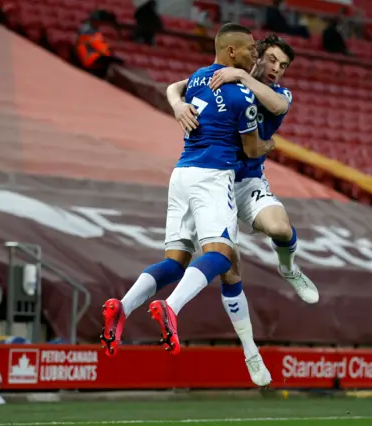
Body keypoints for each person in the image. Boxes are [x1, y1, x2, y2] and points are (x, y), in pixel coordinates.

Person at [101, 24, 270, 364]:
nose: (256, 53)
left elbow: (174, 89)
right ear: (231, 52)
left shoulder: (196, 78)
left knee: (174, 262)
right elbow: (252, 152)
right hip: (212, 176)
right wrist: (271, 143)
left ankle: (124, 307)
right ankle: (171, 307)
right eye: (251, 48)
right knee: (221, 256)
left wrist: (177, 103)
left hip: (182, 174)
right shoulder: (243, 94)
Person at [164, 35, 320, 386]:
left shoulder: (273, 91)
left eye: (283, 65)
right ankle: (251, 352)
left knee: (279, 228)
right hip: (213, 179)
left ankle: (289, 267)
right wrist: (176, 104)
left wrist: (244, 78)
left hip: (247, 183)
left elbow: (278, 107)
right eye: (273, 60)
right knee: (229, 270)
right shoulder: (222, 75)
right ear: (258, 55)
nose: (277, 69)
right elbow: (176, 86)